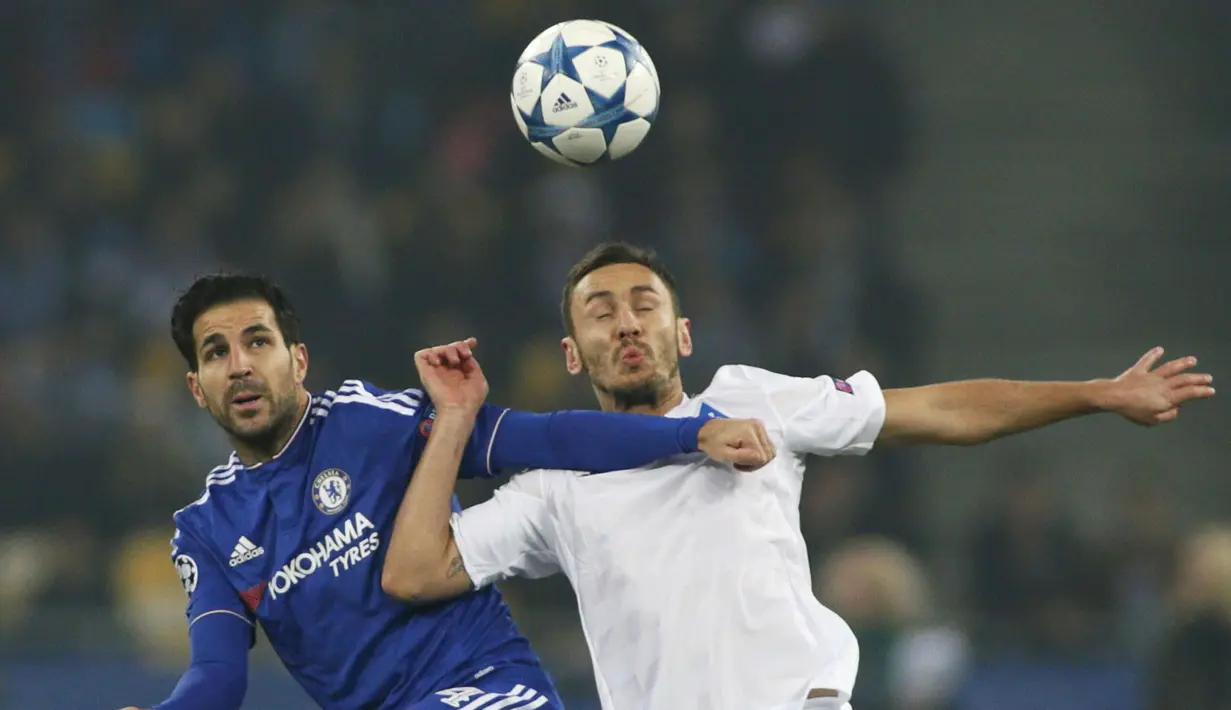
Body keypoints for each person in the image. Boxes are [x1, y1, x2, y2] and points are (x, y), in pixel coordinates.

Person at [382, 242, 1215, 710]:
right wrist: (455, 421)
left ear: (684, 335)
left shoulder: (753, 398)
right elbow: (415, 571)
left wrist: (1095, 395)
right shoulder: (553, 485)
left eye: (645, 304)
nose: (626, 321)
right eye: (599, 312)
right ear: (572, 353)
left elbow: (941, 412)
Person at [118, 273, 773, 710]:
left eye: (257, 342)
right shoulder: (205, 530)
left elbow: (547, 439)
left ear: (299, 360)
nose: (238, 364)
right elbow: (217, 675)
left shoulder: (373, 423)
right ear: (197, 388)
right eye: (215, 352)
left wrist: (691, 434)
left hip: (487, 689)